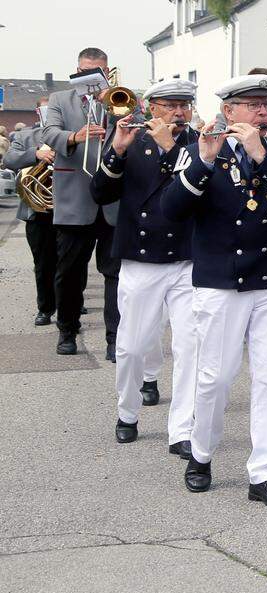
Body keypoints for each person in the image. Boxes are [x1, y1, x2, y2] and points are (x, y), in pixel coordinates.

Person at [161, 74, 267, 507]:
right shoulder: (199, 150)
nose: (263, 112)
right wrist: (203, 163)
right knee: (215, 377)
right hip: (220, 281)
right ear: (229, 112)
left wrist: (262, 155)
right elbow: (172, 210)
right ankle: (202, 453)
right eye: (252, 105)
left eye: (266, 104)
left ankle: (264, 473)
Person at [90, 77, 200, 457]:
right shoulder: (131, 140)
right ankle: (127, 412)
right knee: (133, 347)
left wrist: (172, 147)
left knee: (191, 348)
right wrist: (116, 154)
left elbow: (196, 189)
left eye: (184, 105)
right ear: (152, 108)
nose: (179, 112)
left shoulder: (199, 143)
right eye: (170, 105)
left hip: (188, 258)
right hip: (141, 257)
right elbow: (101, 194)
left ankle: (182, 429)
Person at [42, 47, 122, 360]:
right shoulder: (61, 100)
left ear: (107, 72)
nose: (90, 79)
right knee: (70, 272)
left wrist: (116, 105)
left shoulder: (120, 98)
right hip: (75, 197)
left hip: (114, 201)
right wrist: (75, 136)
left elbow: (143, 127)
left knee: (116, 275)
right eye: (84, 72)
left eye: (97, 72)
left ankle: (115, 340)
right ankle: (67, 330)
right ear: (76, 71)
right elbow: (49, 133)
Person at [2, 100, 58, 327]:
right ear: (38, 111)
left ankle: (72, 302)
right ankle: (45, 308)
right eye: (46, 109)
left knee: (71, 262)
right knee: (43, 263)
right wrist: (36, 153)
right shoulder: (25, 136)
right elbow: (9, 160)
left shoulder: (71, 133)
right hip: (37, 210)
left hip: (68, 207)